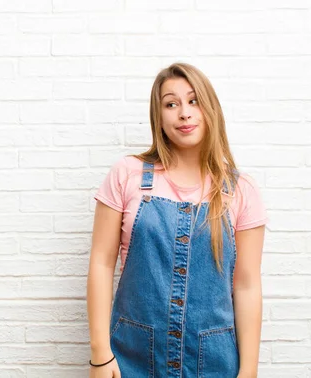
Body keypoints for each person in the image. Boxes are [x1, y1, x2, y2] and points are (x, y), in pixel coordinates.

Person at [86, 62, 268, 378]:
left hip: (213, 362)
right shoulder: (127, 175)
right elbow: (101, 263)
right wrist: (100, 354)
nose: (183, 113)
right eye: (171, 104)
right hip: (131, 356)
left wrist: (248, 371)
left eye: (193, 100)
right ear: (159, 117)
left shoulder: (240, 190)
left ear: (210, 108)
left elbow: (247, 285)